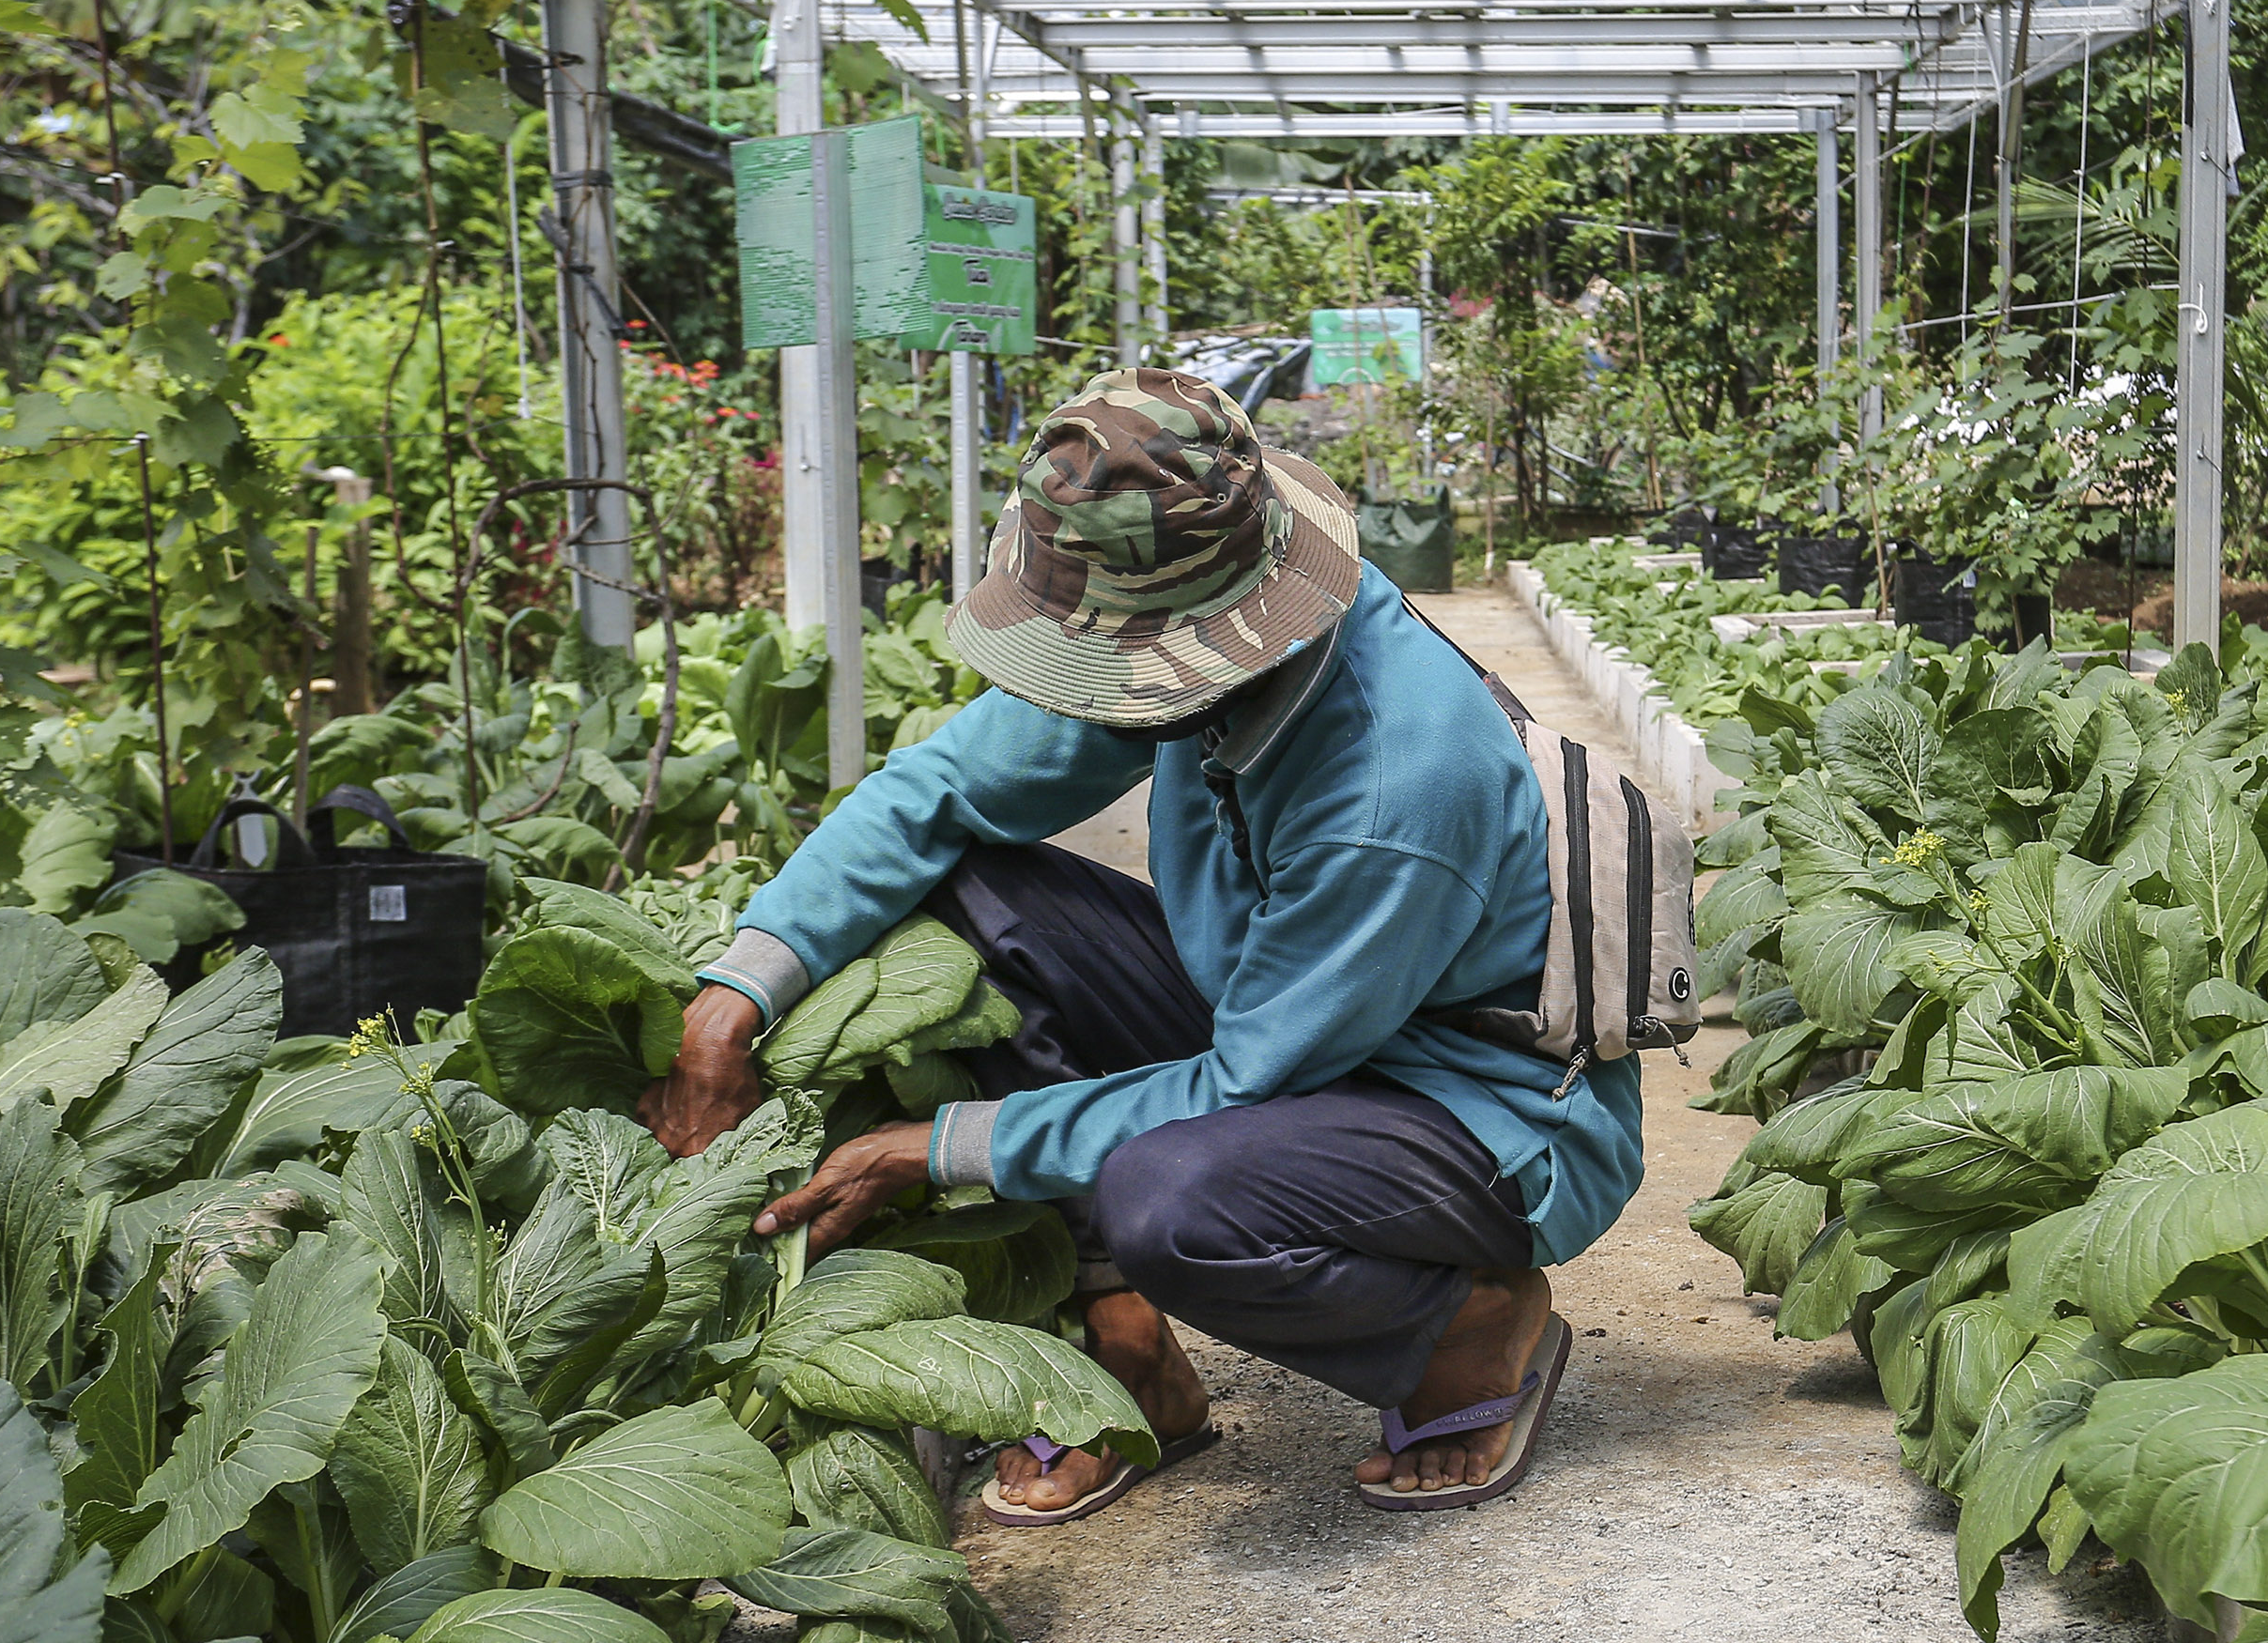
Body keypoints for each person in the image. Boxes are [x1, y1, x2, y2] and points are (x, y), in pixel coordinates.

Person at [641, 368, 1643, 1517]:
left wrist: (943, 1144)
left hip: (1480, 1110)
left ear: (1213, 632)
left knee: (1170, 1201)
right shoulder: (1195, 640)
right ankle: (1129, 1363)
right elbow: (940, 793)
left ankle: (1470, 1328)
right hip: (1288, 1012)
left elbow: (1246, 1083)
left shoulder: (1396, 787)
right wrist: (737, 993)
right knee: (974, 895)